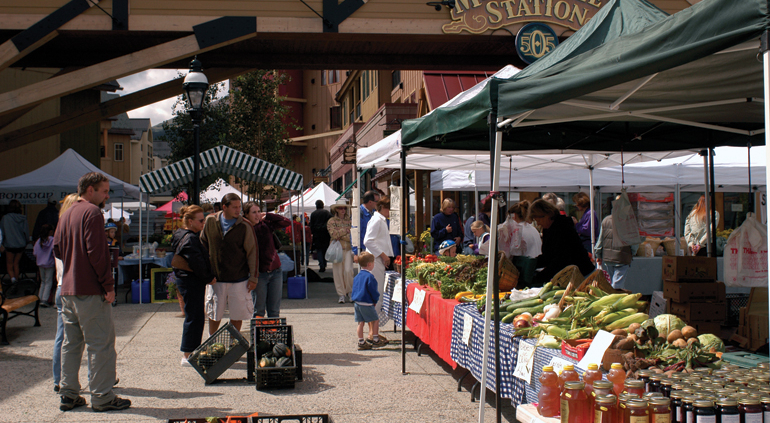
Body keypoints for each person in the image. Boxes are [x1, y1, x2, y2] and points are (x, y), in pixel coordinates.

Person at [54, 172, 130, 412]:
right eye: (104, 191)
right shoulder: (92, 212)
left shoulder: (67, 213)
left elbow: (56, 247)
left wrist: (73, 262)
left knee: (71, 343)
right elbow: (97, 253)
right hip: (89, 289)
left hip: (68, 289)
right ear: (90, 190)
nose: (107, 195)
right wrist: (108, 285)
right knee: (101, 344)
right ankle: (102, 396)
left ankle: (68, 393)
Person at [200, 193, 258, 335]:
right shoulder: (210, 221)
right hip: (216, 278)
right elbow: (203, 246)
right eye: (234, 207)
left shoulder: (245, 225)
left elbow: (253, 252)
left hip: (239, 278)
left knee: (237, 314)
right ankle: (211, 342)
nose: (238, 210)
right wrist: (205, 272)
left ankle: (233, 343)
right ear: (224, 207)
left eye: (239, 207)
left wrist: (253, 277)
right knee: (214, 313)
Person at [171, 205, 216, 366]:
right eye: (201, 220)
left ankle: (190, 352)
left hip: (185, 280)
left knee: (194, 316)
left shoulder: (180, 234)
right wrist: (209, 277)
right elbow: (196, 262)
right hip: (191, 281)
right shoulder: (190, 238)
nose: (203, 223)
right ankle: (188, 354)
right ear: (190, 221)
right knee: (195, 317)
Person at [528, 199, 594, 286]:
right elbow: (548, 256)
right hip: (568, 275)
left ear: (547, 215)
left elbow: (561, 259)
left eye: (538, 220)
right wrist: (532, 264)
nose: (538, 224)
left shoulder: (563, 227)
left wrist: (540, 276)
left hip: (581, 274)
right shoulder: (548, 228)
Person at [243, 201, 290, 318]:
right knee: (258, 310)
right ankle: (257, 335)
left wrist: (269, 215)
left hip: (275, 270)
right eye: (254, 212)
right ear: (246, 215)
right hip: (259, 273)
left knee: (274, 310)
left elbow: (286, 222)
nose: (257, 215)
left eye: (259, 212)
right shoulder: (244, 229)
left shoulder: (266, 224)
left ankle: (272, 335)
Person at [52, 193, 79, 393]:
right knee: (70, 338)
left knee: (64, 337)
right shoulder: (70, 231)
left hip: (62, 286)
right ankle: (62, 379)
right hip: (71, 287)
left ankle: (59, 379)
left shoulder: (60, 230)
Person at [595, 198, 637, 289]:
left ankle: (611, 297)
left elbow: (600, 240)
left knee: (612, 282)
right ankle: (613, 301)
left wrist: (598, 254)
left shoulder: (606, 220)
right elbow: (634, 243)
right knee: (617, 284)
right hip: (622, 257)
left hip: (608, 257)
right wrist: (632, 253)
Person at [351, 252, 387, 350]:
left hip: (357, 302)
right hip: (367, 302)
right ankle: (375, 339)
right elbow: (373, 291)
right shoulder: (370, 277)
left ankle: (361, 341)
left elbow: (354, 288)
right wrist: (375, 300)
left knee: (360, 322)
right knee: (375, 320)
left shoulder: (357, 276)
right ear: (370, 264)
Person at [363, 196, 393, 316]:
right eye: (389, 209)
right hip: (375, 261)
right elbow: (368, 241)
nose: (390, 212)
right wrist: (384, 256)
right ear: (383, 208)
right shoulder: (377, 220)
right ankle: (373, 330)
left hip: (377, 260)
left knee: (377, 293)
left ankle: (373, 328)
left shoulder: (380, 220)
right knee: (376, 294)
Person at [328, 201, 355, 304]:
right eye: (340, 208)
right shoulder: (331, 221)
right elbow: (333, 234)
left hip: (348, 249)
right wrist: (346, 231)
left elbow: (353, 236)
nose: (343, 210)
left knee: (348, 271)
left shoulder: (351, 221)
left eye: (344, 208)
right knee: (338, 273)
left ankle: (350, 292)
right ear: (336, 209)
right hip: (337, 250)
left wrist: (340, 233)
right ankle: (341, 294)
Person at [1, 199, 28, 283]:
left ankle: (13, 280)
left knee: (9, 264)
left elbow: (2, 231)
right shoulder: (23, 218)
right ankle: (16, 280)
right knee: (16, 264)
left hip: (9, 244)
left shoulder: (5, 218)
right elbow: (26, 232)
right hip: (21, 244)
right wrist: (26, 241)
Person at [33, 223, 55, 307]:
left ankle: (39, 298)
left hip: (40, 264)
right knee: (48, 282)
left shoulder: (39, 241)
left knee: (42, 282)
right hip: (49, 264)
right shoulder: (52, 240)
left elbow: (35, 253)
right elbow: (54, 252)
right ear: (50, 231)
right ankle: (45, 299)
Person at [309, 200, 332, 272]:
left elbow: (311, 225)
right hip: (325, 233)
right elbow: (330, 222)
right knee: (325, 249)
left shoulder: (313, 214)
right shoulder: (327, 213)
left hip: (317, 234)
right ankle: (324, 263)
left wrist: (313, 232)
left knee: (319, 250)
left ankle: (321, 264)